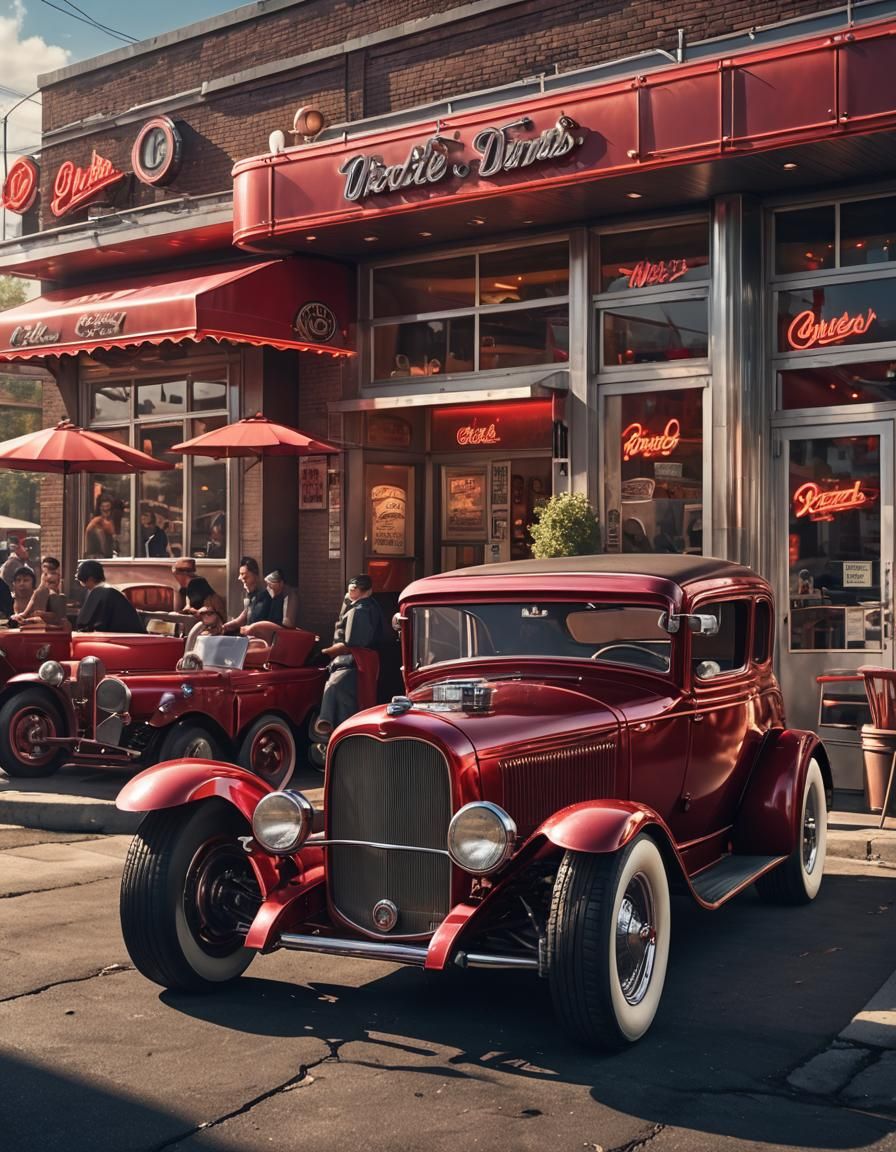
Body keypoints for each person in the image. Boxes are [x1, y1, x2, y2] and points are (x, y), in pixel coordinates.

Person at [315, 574, 385, 740]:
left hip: (352, 662)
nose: (351, 588)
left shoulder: (359, 610)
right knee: (349, 703)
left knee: (337, 691)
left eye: (355, 587)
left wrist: (324, 652)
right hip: (361, 661)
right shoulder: (368, 606)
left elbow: (350, 644)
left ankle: (327, 723)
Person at [75, 560, 145, 633]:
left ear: (90, 578)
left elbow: (83, 623)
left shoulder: (99, 592)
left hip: (119, 638)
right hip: (132, 636)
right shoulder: (110, 591)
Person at [241, 569, 299, 641]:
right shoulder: (273, 596)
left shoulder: (290, 596)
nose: (268, 588)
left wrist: (255, 627)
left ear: (281, 583)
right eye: (267, 585)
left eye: (270, 584)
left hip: (284, 639)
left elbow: (286, 628)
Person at [12, 555, 69, 628]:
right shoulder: (38, 591)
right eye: (18, 580)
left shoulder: (56, 596)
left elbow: (59, 619)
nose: (21, 583)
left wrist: (41, 614)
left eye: (26, 580)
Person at [223, 557, 272, 634]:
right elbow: (241, 619)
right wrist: (224, 627)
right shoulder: (251, 596)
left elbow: (255, 621)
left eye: (243, 575)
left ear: (255, 575)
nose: (240, 578)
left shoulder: (263, 597)